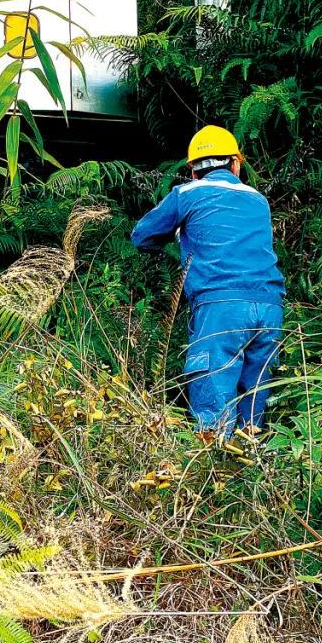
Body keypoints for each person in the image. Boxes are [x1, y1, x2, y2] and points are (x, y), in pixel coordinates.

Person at [131, 125, 285, 442]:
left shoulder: (186, 194)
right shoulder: (258, 200)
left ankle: (210, 479)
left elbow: (142, 236)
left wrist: (177, 234)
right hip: (270, 307)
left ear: (193, 171)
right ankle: (251, 480)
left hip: (220, 309)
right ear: (236, 164)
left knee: (214, 415)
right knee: (252, 417)